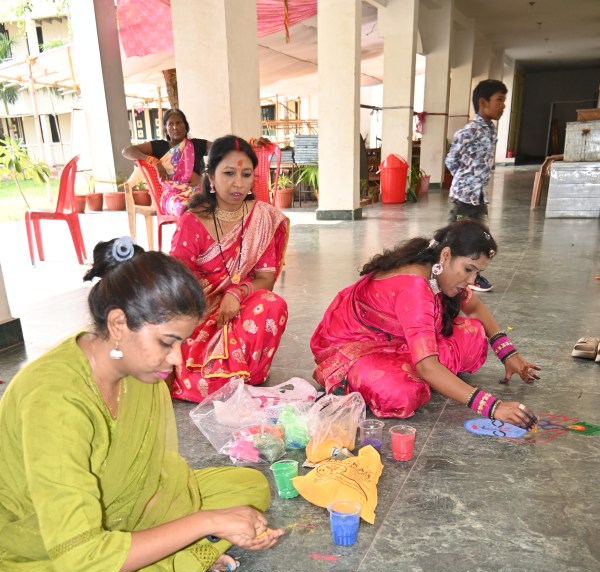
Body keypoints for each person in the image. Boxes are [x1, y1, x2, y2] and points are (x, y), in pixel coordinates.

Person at [0, 237, 283, 572]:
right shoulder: (54, 399)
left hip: (122, 516)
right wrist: (204, 526)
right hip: (38, 550)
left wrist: (197, 521)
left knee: (249, 488)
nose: (177, 360)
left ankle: (148, 561)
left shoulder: (139, 373)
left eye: (182, 343)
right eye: (167, 342)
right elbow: (81, 557)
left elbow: (156, 475)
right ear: (117, 325)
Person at [310, 219, 539, 428]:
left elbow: (476, 308)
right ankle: (425, 378)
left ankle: (436, 378)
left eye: (477, 273)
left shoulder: (435, 266)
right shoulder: (414, 288)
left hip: (402, 339)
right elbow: (426, 366)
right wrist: (493, 407)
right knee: (401, 393)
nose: (471, 280)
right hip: (358, 345)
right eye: (468, 269)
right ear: (447, 255)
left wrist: (508, 354)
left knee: (473, 335)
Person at [169, 134, 290, 403]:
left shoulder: (262, 217)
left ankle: (248, 374)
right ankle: (224, 378)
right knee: (200, 381)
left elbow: (266, 278)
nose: (238, 183)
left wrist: (236, 293)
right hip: (199, 311)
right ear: (211, 178)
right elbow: (176, 282)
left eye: (246, 174)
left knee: (272, 304)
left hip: (240, 305)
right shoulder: (193, 220)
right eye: (228, 173)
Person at [445, 79, 508, 292]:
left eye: (504, 100)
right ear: (483, 103)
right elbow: (451, 160)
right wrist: (465, 180)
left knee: (480, 238)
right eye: (499, 99)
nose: (503, 105)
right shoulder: (469, 131)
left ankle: (470, 274)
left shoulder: (491, 131)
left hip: (479, 196)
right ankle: (449, 273)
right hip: (463, 197)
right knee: (458, 237)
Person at [122, 108, 211, 216]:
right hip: (173, 197)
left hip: (198, 191)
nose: (175, 127)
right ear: (166, 129)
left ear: (186, 126)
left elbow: (220, 149)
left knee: (214, 205)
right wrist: (155, 162)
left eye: (179, 123)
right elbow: (127, 151)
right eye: (170, 124)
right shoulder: (160, 146)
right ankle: (187, 232)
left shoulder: (197, 145)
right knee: (187, 209)